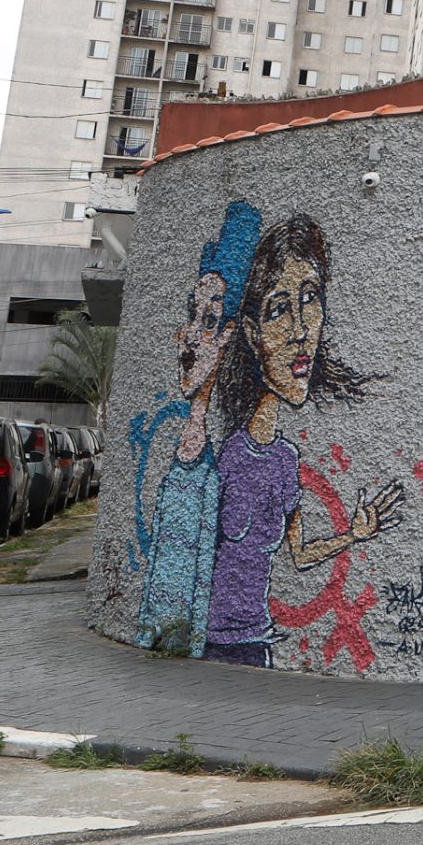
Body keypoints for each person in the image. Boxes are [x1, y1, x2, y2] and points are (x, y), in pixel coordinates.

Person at [201, 213, 405, 667]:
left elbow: (300, 555)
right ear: (251, 334)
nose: (300, 330)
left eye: (310, 299)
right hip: (211, 643)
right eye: (278, 309)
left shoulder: (284, 460)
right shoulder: (226, 458)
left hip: (258, 643)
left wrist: (354, 534)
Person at [133, 200, 256, 653]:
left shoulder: (222, 461)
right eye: (191, 314)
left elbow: (210, 566)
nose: (187, 335)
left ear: (227, 337)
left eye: (208, 321)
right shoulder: (171, 440)